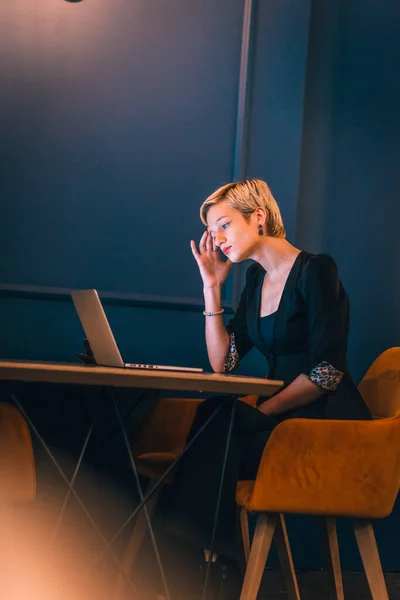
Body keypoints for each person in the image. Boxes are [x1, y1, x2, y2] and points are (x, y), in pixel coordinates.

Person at [164, 179, 371, 597]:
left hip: (327, 424)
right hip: (284, 419)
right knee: (215, 417)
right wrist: (212, 288)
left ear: (258, 216)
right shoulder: (256, 280)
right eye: (212, 231)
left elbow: (327, 372)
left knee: (220, 423)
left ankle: (198, 566)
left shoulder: (316, 270)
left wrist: (264, 409)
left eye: (224, 225)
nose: (217, 240)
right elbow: (224, 363)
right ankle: (207, 564)